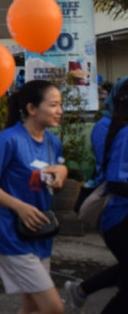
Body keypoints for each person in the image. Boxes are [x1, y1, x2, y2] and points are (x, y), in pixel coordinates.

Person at [0, 80, 68, 314]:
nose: (60, 111)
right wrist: (19, 207)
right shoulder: (7, 140)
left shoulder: (53, 142)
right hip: (11, 234)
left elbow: (55, 172)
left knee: (31, 306)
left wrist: (62, 172)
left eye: (61, 105)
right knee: (53, 308)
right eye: (54, 104)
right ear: (31, 108)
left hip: (41, 233)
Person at [65, 76, 126, 309]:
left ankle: (81, 290)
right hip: (116, 210)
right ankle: (81, 290)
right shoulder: (111, 127)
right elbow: (115, 176)